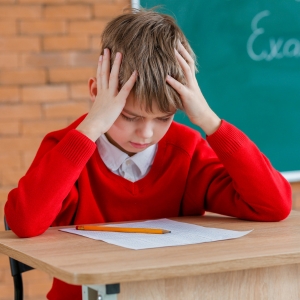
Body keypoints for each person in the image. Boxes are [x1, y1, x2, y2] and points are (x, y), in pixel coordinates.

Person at [5, 8, 291, 300]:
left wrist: (210, 121)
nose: (146, 133)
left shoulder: (187, 151)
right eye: (129, 117)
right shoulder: (66, 149)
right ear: (97, 94)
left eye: (163, 118)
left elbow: (274, 205)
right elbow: (25, 223)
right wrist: (91, 126)